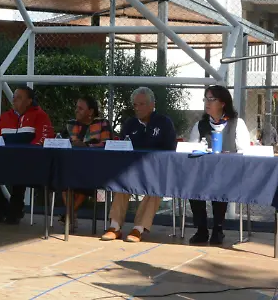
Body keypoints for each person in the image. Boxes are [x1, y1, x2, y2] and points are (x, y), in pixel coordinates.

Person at [101, 87, 177, 243]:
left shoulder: (164, 123)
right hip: (133, 168)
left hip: (156, 170)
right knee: (121, 179)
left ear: (152, 104)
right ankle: (114, 226)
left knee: (157, 186)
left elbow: (170, 150)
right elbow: (123, 146)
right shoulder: (130, 124)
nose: (138, 108)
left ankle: (139, 228)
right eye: (135, 105)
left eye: (141, 104)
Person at [187, 85, 251, 245]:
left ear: (223, 103)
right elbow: (192, 149)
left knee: (220, 185)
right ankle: (201, 229)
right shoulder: (200, 125)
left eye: (211, 99)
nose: (207, 103)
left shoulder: (237, 124)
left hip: (230, 175)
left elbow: (245, 151)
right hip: (204, 174)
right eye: (205, 99)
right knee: (192, 186)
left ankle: (218, 228)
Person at [0, 86, 54, 225]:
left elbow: (45, 139)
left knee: (19, 170)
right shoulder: (5, 117)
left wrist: (25, 154)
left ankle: (15, 210)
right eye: (14, 97)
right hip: (5, 160)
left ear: (29, 101)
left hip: (30, 161)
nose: (14, 100)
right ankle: (3, 207)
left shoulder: (40, 115)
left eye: (19, 97)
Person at [58, 95, 112, 231]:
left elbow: (108, 144)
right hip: (71, 165)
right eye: (76, 108)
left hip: (95, 167)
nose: (76, 111)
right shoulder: (70, 124)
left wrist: (86, 146)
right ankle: (70, 215)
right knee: (64, 177)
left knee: (82, 178)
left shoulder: (102, 124)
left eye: (80, 108)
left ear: (91, 112)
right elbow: (59, 141)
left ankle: (68, 215)